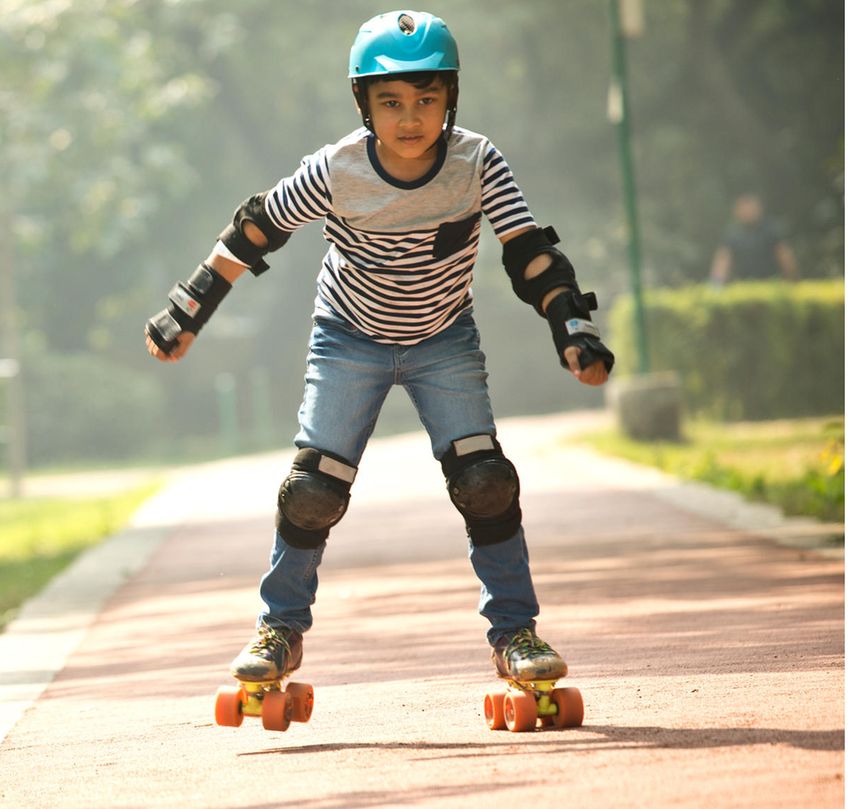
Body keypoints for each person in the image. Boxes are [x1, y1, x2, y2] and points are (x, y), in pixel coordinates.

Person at [143, 10, 614, 689]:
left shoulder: (477, 162)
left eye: (427, 99)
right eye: (391, 102)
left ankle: (515, 631)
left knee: (485, 481)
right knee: (313, 490)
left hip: (442, 337)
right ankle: (279, 630)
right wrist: (187, 311)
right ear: (363, 104)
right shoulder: (335, 170)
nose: (410, 118)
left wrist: (571, 328)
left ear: (451, 97)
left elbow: (529, 252)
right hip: (348, 337)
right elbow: (253, 232)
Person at [709, 193, 798, 286]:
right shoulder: (732, 235)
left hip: (771, 284)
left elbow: (785, 258)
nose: (747, 212)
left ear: (758, 209)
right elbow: (722, 263)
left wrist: (793, 284)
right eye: (743, 208)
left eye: (750, 208)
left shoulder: (771, 230)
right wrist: (716, 286)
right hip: (743, 286)